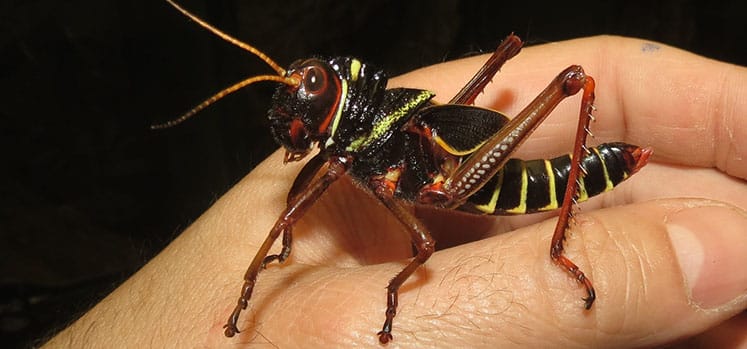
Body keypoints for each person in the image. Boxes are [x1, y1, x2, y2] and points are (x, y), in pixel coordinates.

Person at [43, 36, 747, 348]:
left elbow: (420, 239)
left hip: (479, 172)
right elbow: (296, 200)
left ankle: (561, 246)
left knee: (571, 78)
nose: (297, 108)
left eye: (307, 95)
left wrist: (391, 297)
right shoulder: (348, 148)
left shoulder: (373, 146)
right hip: (439, 162)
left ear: (339, 103)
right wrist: (255, 277)